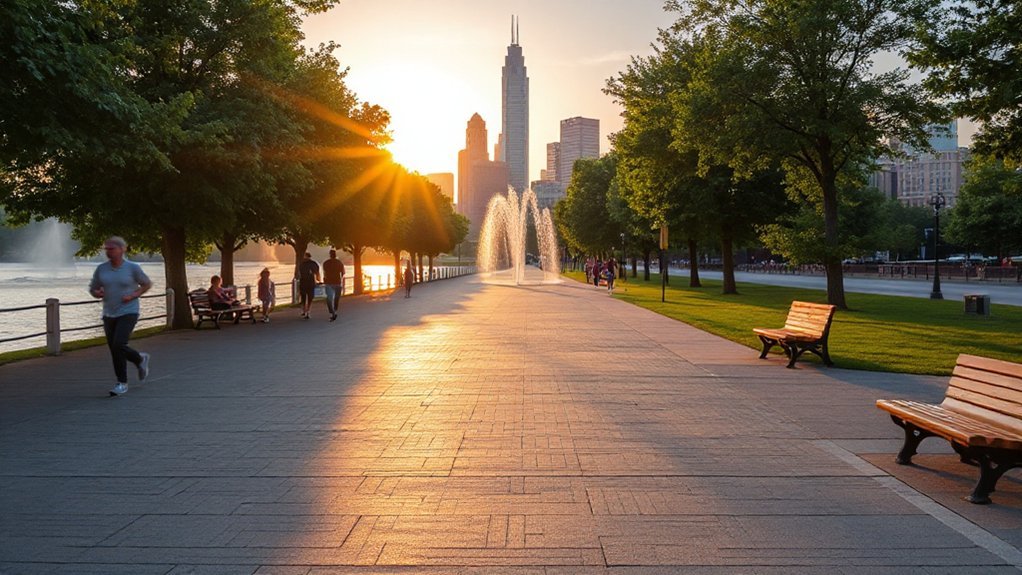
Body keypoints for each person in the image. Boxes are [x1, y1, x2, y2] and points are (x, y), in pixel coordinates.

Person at [88, 236, 152, 397]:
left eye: (112, 248)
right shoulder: (101, 269)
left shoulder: (132, 268)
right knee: (115, 349)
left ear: (122, 249)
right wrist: (97, 292)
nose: (108, 252)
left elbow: (146, 283)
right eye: (106, 249)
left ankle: (122, 383)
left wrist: (134, 295)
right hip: (109, 312)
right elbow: (93, 288)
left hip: (129, 311)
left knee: (118, 344)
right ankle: (139, 360)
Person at [322, 249, 346, 321]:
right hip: (337, 282)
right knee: (336, 298)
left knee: (329, 298)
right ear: (335, 255)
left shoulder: (326, 263)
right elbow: (343, 273)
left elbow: (324, 273)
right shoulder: (339, 263)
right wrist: (341, 280)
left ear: (330, 255)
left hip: (329, 282)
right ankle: (335, 310)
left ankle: (332, 312)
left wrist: (325, 279)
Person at [297, 252, 320, 319]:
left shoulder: (302, 264)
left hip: (303, 282)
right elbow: (317, 272)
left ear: (306, 256)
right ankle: (308, 311)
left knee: (303, 297)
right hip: (311, 282)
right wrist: (318, 279)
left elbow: (299, 273)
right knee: (310, 298)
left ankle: (305, 310)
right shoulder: (314, 263)